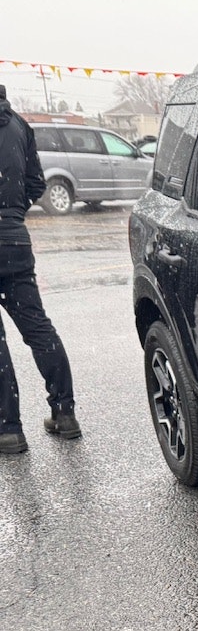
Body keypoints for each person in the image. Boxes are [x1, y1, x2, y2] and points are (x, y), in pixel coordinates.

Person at [0, 84, 79, 454]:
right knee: (39, 329)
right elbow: (36, 182)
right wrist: (12, 214)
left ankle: (9, 430)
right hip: (15, 244)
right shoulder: (18, 125)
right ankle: (64, 413)